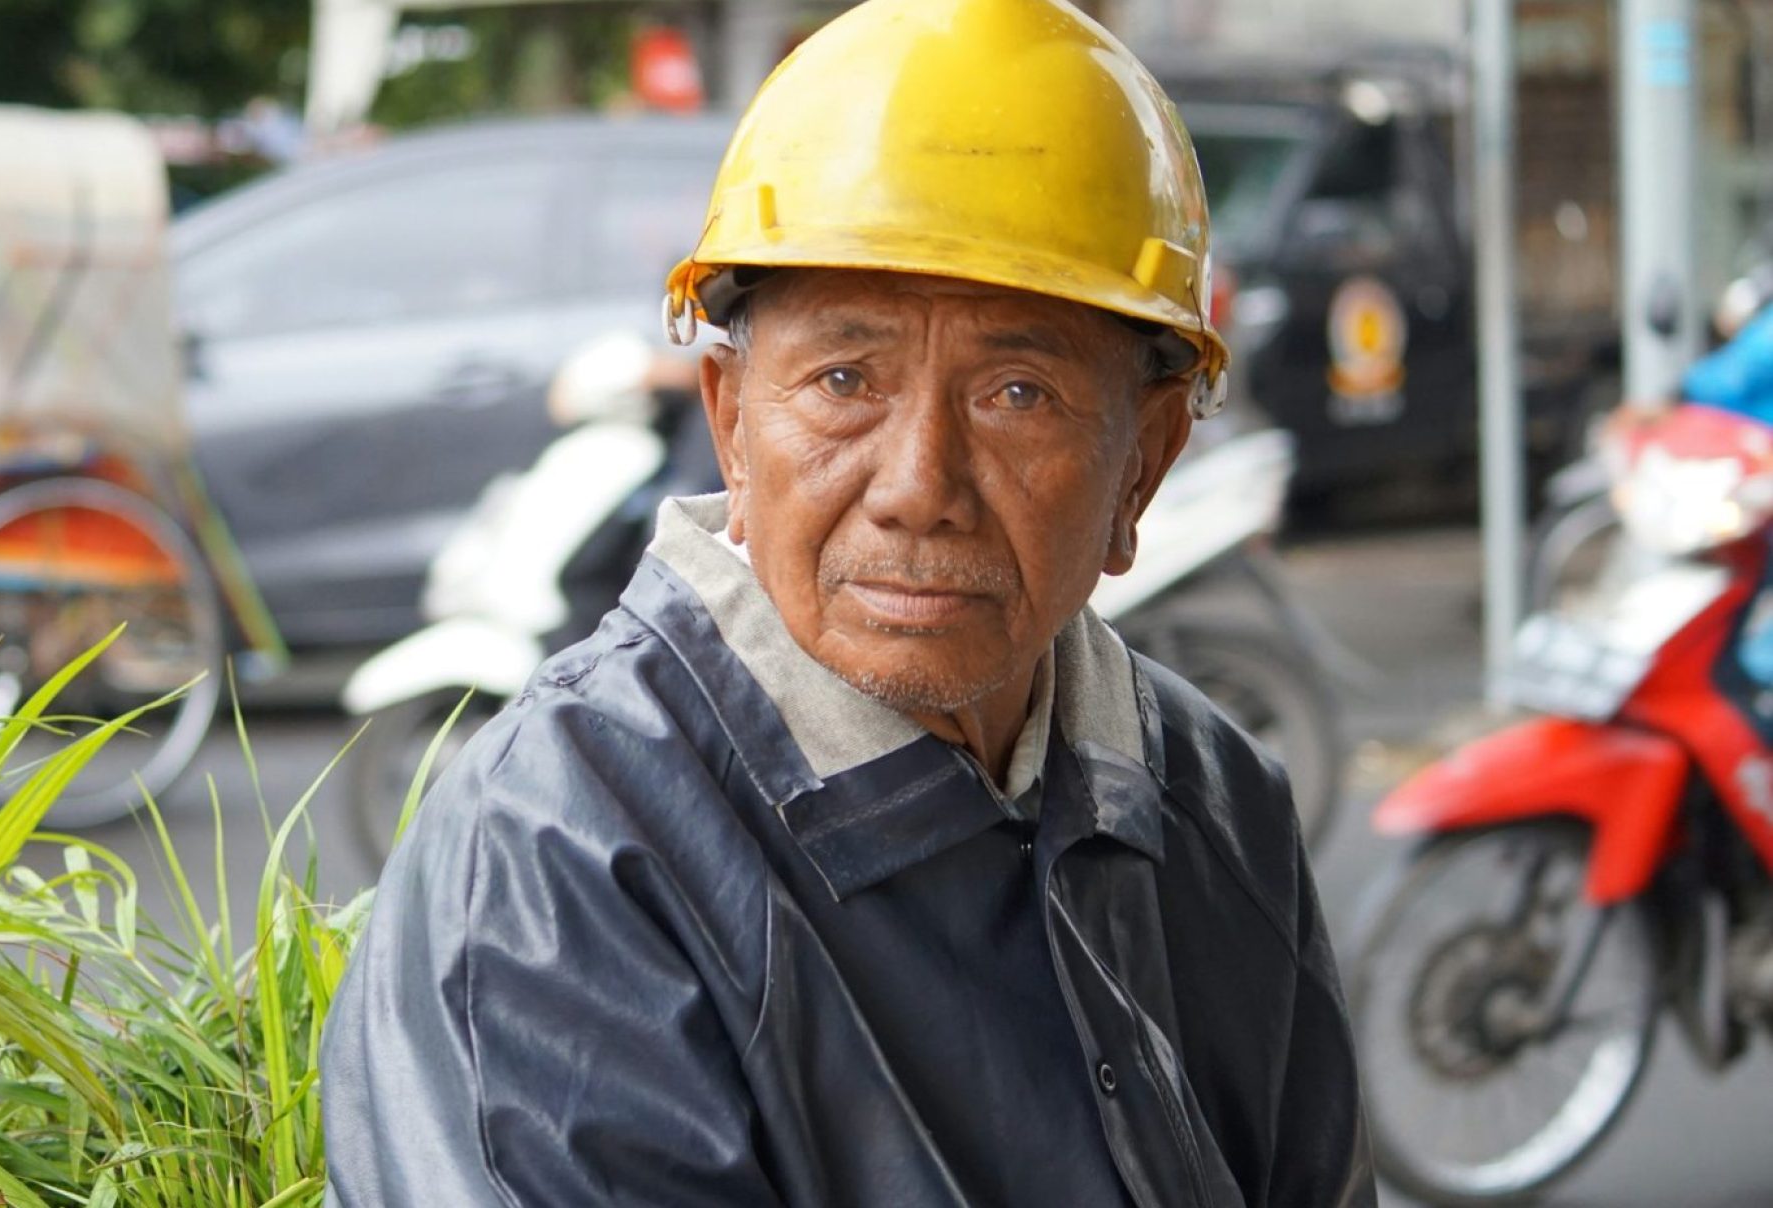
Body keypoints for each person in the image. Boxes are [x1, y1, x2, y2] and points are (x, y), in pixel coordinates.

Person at [320, 0, 1375, 1204]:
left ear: (1146, 459)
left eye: (1018, 392)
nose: (918, 486)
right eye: (842, 379)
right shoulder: (557, 859)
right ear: (727, 421)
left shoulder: (1213, 802)